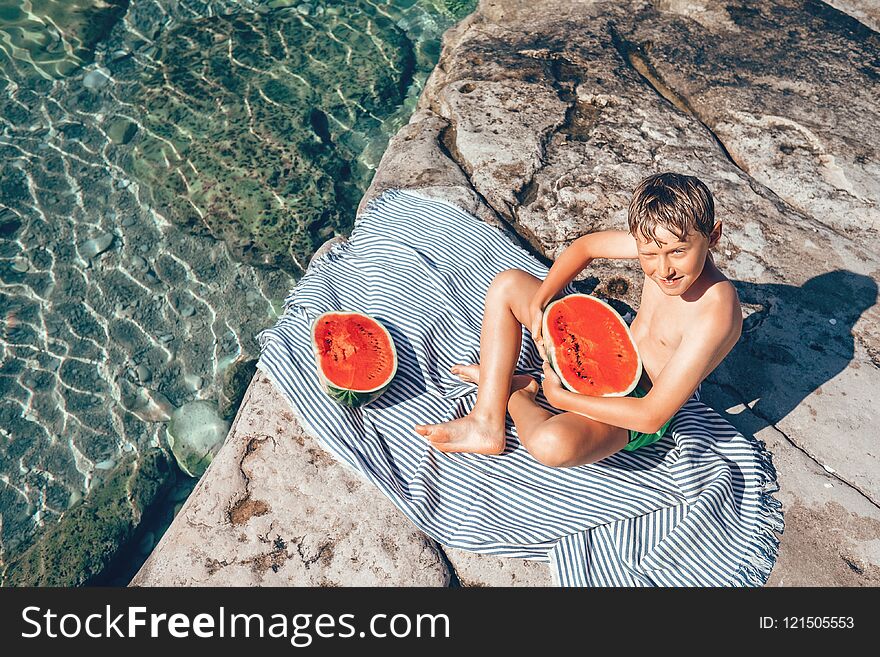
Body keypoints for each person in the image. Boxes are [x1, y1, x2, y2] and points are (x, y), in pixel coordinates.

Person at [414, 172, 743, 466]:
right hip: (605, 354)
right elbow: (587, 247)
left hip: (635, 406)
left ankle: (519, 392)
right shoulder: (660, 240)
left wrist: (562, 398)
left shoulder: (718, 310)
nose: (663, 269)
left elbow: (652, 417)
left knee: (550, 445)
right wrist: (542, 301)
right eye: (649, 254)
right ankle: (486, 421)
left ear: (712, 236)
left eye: (678, 253)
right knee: (508, 285)